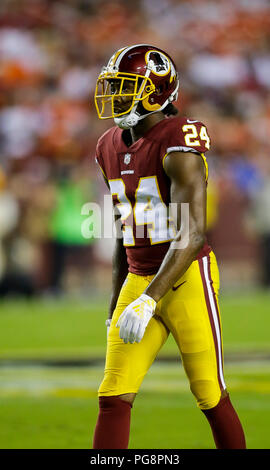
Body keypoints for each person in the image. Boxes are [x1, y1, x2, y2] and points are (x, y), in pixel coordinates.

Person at [92, 44, 246, 449]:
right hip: (139, 277)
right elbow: (125, 229)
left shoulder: (178, 138)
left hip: (184, 278)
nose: (117, 97)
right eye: (115, 87)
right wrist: (118, 299)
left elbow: (192, 232)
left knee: (210, 394)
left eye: (127, 87)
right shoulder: (108, 144)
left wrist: (149, 299)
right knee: (113, 395)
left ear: (155, 91)